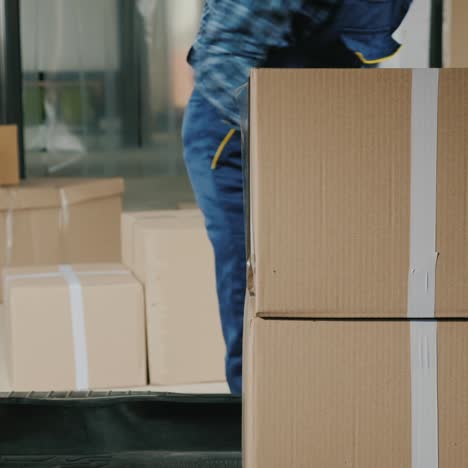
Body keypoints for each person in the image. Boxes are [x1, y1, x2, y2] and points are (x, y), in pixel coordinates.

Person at [183, 0, 413, 395]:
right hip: (237, 132)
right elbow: (222, 60)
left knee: (327, 275)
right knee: (256, 286)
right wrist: (298, 144)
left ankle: (323, 414)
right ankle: (262, 422)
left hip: (311, 118)